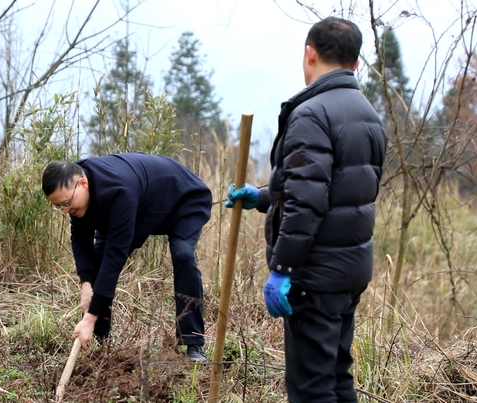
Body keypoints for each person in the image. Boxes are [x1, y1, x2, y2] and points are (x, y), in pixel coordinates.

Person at [225, 17, 387, 402]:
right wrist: (264, 197)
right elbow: (339, 192)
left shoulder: (312, 114)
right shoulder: (368, 115)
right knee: (335, 377)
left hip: (314, 275)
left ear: (309, 53)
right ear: (356, 63)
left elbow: (308, 203)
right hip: (349, 271)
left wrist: (283, 269)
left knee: (310, 389)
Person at [42, 153, 212, 362]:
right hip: (143, 205)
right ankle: (99, 344)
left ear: (83, 183)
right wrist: (86, 284)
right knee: (97, 263)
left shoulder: (117, 190)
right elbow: (80, 237)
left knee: (183, 254)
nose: (65, 210)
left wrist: (90, 316)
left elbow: (115, 258)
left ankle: (193, 341)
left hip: (183, 198)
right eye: (59, 206)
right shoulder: (73, 186)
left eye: (67, 203)